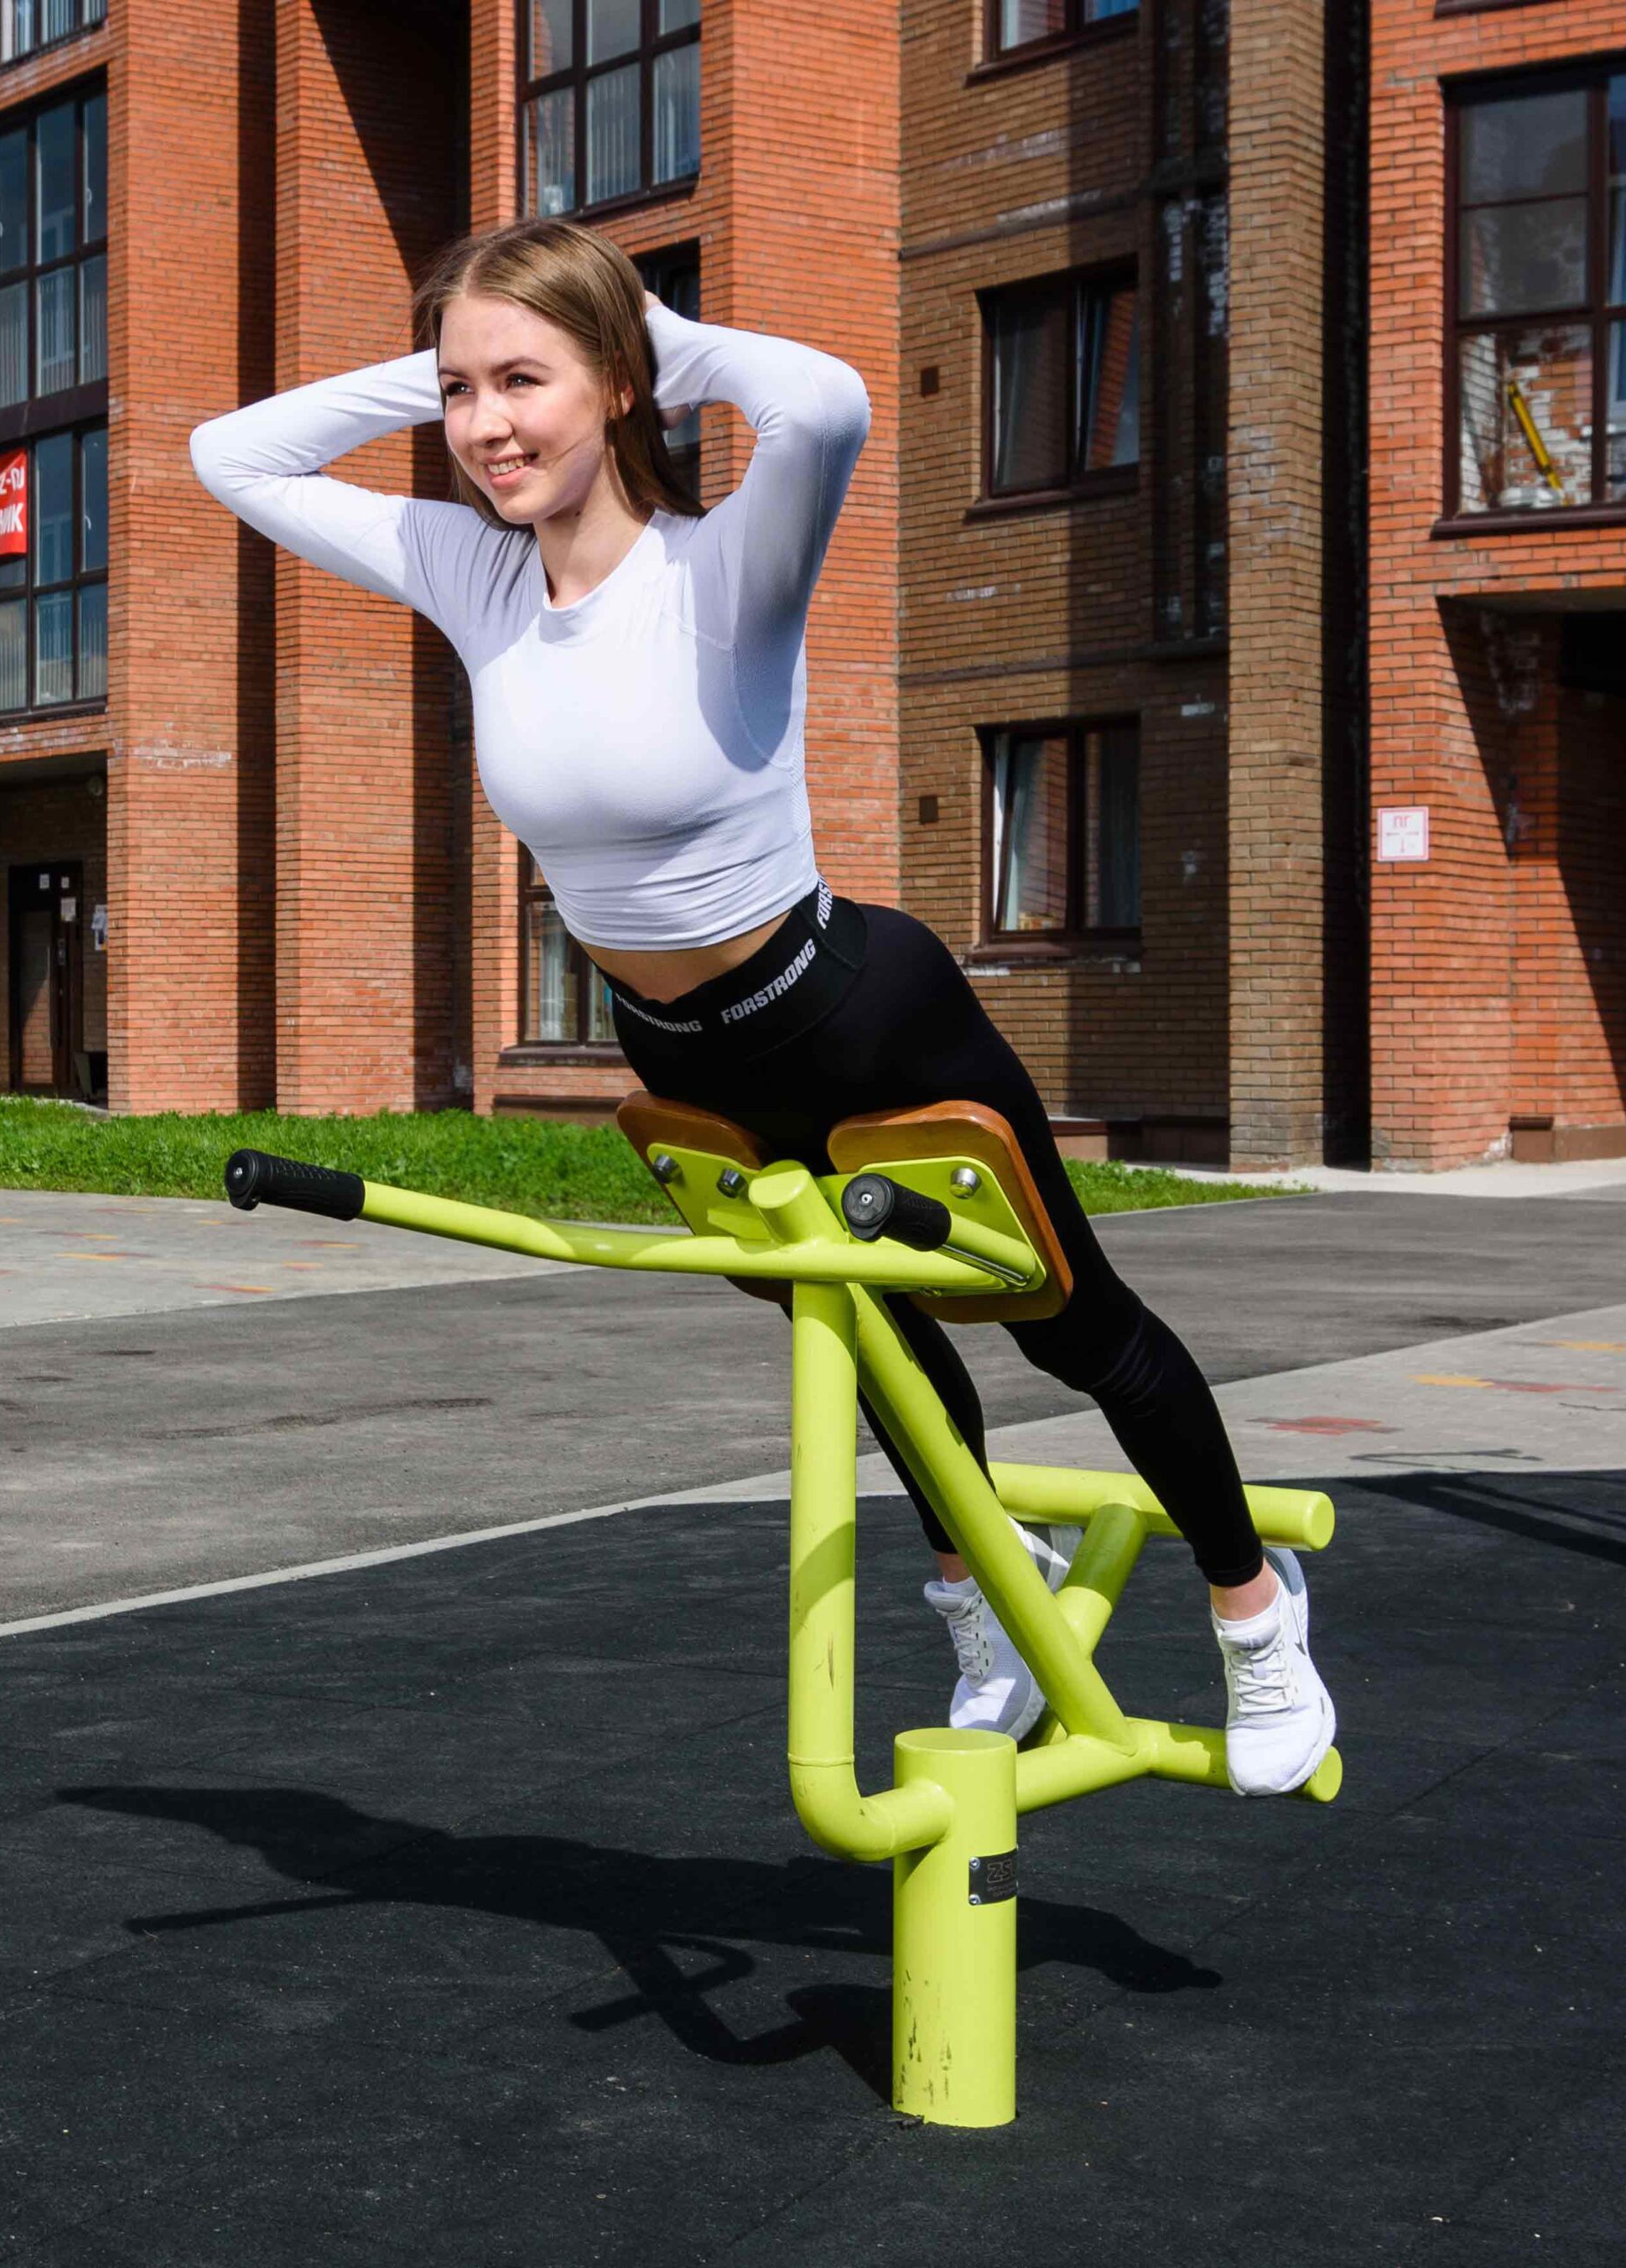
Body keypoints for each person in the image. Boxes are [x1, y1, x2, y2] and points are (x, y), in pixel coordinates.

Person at [191, 216, 1334, 1795]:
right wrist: (466, 361)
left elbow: (828, 400)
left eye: (523, 383)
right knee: (857, 1335)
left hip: (857, 1012)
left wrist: (634, 339)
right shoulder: (472, 572)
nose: (483, 427)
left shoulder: (727, 566)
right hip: (681, 1052)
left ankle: (1257, 1614)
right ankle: (985, 1598)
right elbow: (230, 455)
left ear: (621, 384)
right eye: (458, 392)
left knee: (1074, 1328)